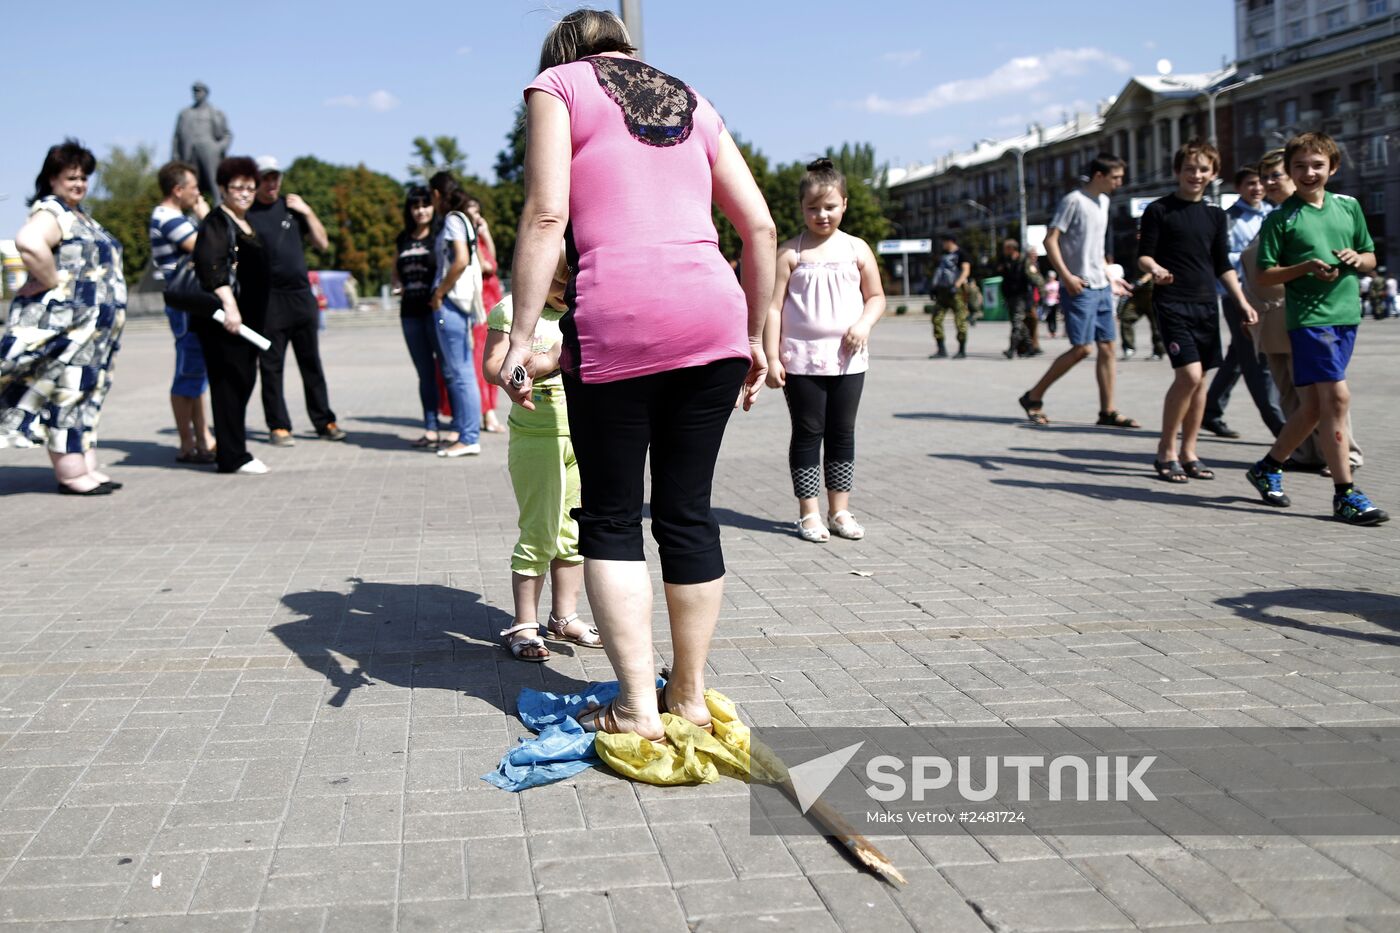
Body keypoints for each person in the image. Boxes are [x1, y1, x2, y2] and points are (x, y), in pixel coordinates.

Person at [502, 8, 775, 741]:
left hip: (616, 320)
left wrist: (521, 337)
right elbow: (761, 228)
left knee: (614, 517)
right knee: (688, 513)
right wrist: (757, 336)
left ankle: (636, 706)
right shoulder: (693, 97)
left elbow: (546, 215)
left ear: (565, 53)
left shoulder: (557, 85)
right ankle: (688, 694)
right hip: (714, 319)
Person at [1245, 132, 1386, 525]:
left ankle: (1268, 466)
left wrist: (1357, 259)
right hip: (1309, 319)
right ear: (1290, 170)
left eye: (1317, 165)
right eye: (1300, 166)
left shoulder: (1349, 206)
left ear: (1333, 168)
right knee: (1337, 400)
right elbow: (1264, 273)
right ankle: (1345, 494)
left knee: (1312, 407)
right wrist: (1306, 267)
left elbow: (1371, 257)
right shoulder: (1281, 218)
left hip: (1346, 315)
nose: (1309, 172)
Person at [483, 251, 600, 661]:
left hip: (583, 433)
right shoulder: (512, 309)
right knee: (538, 531)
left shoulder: (586, 304)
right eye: (556, 285)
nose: (565, 295)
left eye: (571, 284)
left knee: (573, 533)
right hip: (537, 437)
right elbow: (492, 364)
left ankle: (564, 617)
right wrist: (520, 373)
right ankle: (524, 623)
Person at [766, 159, 885, 543]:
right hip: (799, 360)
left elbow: (877, 297)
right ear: (801, 208)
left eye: (830, 207)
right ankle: (809, 514)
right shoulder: (790, 253)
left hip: (849, 359)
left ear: (844, 204)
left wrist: (864, 323)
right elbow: (772, 307)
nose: (822, 215)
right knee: (807, 432)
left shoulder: (857, 249)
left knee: (841, 433)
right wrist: (770, 357)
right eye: (813, 208)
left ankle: (840, 510)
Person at [1, 140, 126, 495]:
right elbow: (28, 241)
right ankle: (71, 473)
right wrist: (51, 279)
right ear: (52, 178)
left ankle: (85, 465)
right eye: (71, 176)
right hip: (67, 330)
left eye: (83, 177)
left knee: (86, 392)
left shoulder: (78, 214)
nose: (79, 183)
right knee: (67, 395)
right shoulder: (51, 212)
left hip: (91, 334)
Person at [1137, 140, 1257, 484]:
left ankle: (1189, 451)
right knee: (1188, 376)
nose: (1196, 174)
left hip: (1206, 303)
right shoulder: (1159, 210)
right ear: (1178, 172)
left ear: (1214, 174)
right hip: (1172, 301)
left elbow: (1223, 264)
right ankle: (1165, 450)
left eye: (1204, 169)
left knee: (1201, 380)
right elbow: (1144, 254)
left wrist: (1242, 301)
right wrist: (1155, 269)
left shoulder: (1216, 215)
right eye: (1189, 168)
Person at [1243, 149, 1363, 475]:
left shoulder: (1327, 210)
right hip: (1272, 319)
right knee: (1295, 395)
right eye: (1263, 176)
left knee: (1328, 393)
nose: (1268, 182)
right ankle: (1302, 454)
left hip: (1307, 313)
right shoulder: (1274, 218)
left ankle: (1342, 459)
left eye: (1275, 175)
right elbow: (1258, 272)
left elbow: (1361, 255)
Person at [1017, 154, 1137, 428]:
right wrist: (1066, 277)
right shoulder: (1074, 201)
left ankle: (1107, 411)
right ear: (1099, 176)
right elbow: (1051, 240)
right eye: (1115, 177)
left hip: (1101, 285)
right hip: (1079, 286)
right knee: (1081, 349)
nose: (1120, 183)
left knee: (1108, 347)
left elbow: (1094, 248)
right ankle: (1033, 397)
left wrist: (1110, 275)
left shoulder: (1103, 202)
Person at [247, 156, 345, 446]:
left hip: (301, 297)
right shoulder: (248, 213)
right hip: (269, 300)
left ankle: (324, 421)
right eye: (266, 178)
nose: (272, 183)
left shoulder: (291, 208)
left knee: (311, 363)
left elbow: (322, 242)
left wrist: (307, 210)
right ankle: (278, 425)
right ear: (256, 182)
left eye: (275, 177)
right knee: (271, 365)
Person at [191, 156, 271, 475]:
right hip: (228, 322)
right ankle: (232, 456)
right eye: (237, 187)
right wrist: (230, 307)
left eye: (250, 187)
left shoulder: (245, 222)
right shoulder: (217, 222)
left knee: (243, 381)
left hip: (249, 321)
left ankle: (234, 448)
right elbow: (211, 267)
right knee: (228, 385)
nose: (244, 193)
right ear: (223, 189)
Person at [1201, 164, 1286, 440]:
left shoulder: (1273, 213)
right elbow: (1220, 259)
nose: (1258, 188)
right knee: (1258, 362)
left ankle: (1210, 410)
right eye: (1251, 183)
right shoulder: (1230, 218)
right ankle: (1282, 428)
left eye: (1261, 182)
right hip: (1238, 297)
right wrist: (1255, 256)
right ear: (1238, 188)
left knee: (1237, 358)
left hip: (1268, 297)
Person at [149, 160, 217, 465]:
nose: (198, 193)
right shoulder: (168, 217)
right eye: (193, 187)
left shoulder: (176, 216)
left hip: (192, 304)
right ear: (177, 190)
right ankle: (188, 443)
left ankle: (203, 438)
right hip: (186, 305)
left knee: (196, 374)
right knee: (187, 373)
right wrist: (206, 218)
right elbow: (204, 247)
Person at [428, 172, 483, 459]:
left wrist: (439, 293)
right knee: (458, 370)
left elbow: (460, 259)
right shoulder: (464, 218)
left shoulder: (452, 219)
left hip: (450, 303)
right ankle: (465, 430)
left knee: (461, 372)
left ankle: (469, 436)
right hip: (459, 303)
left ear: (437, 194)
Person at [392, 186, 441, 447]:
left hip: (436, 311)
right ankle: (431, 427)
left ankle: (456, 427)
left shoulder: (438, 235)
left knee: (447, 370)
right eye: (415, 206)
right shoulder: (403, 238)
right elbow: (394, 269)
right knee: (425, 373)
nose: (420, 210)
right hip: (410, 312)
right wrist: (397, 284)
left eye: (425, 205)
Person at [466, 198, 504, 434]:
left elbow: (493, 258)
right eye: (471, 210)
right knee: (482, 358)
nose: (475, 214)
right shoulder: (468, 241)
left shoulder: (479, 239)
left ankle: (488, 410)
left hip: (493, 301)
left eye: (477, 210)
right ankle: (486, 412)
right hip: (478, 304)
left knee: (494, 355)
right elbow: (487, 267)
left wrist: (486, 231)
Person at [171, 82, 232, 201]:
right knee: (192, 183)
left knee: (214, 182)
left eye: (199, 91)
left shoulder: (215, 113)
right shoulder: (185, 114)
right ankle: (194, 209)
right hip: (189, 153)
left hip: (210, 150)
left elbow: (227, 134)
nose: (196, 94)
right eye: (194, 91)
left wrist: (219, 147)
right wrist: (175, 155)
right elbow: (176, 137)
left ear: (206, 93)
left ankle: (219, 207)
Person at [995, 237, 1043, 358]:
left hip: (1021, 296)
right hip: (1010, 296)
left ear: (1012, 249)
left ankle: (1012, 349)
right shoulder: (1006, 261)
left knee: (1017, 322)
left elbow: (1035, 278)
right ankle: (1030, 346)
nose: (1004, 251)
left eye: (1006, 248)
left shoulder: (1024, 261)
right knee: (1019, 323)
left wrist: (1042, 293)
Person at [928, 233, 971, 358]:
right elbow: (939, 273)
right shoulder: (943, 256)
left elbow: (966, 270)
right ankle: (941, 349)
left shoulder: (961, 254)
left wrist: (956, 285)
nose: (943, 244)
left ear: (950, 241)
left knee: (960, 320)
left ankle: (962, 350)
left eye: (944, 241)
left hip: (955, 292)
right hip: (942, 292)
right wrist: (934, 288)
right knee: (936, 319)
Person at [1119, 271, 1166, 360]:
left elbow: (1154, 265)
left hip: (1153, 291)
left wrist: (1143, 280)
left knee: (1156, 324)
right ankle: (1129, 348)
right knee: (1126, 318)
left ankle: (1158, 351)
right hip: (1137, 293)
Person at [1042, 270, 1061, 337]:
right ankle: (1050, 331)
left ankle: (1054, 331)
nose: (1050, 278)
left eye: (1051, 277)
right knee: (1049, 318)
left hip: (1055, 302)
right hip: (1048, 302)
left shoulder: (1057, 284)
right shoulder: (1046, 284)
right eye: (1049, 277)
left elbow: (1059, 293)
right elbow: (1043, 293)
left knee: (1054, 317)